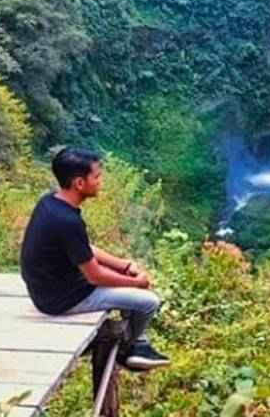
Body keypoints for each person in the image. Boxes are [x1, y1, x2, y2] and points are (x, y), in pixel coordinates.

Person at [20, 147, 170, 371]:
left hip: (46, 289)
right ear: (79, 183)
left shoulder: (50, 203)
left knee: (125, 280)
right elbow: (94, 276)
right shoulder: (67, 221)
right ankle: (128, 350)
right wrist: (137, 283)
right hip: (61, 299)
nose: (101, 181)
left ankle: (140, 342)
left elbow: (82, 248)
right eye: (97, 176)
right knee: (148, 302)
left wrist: (124, 265)